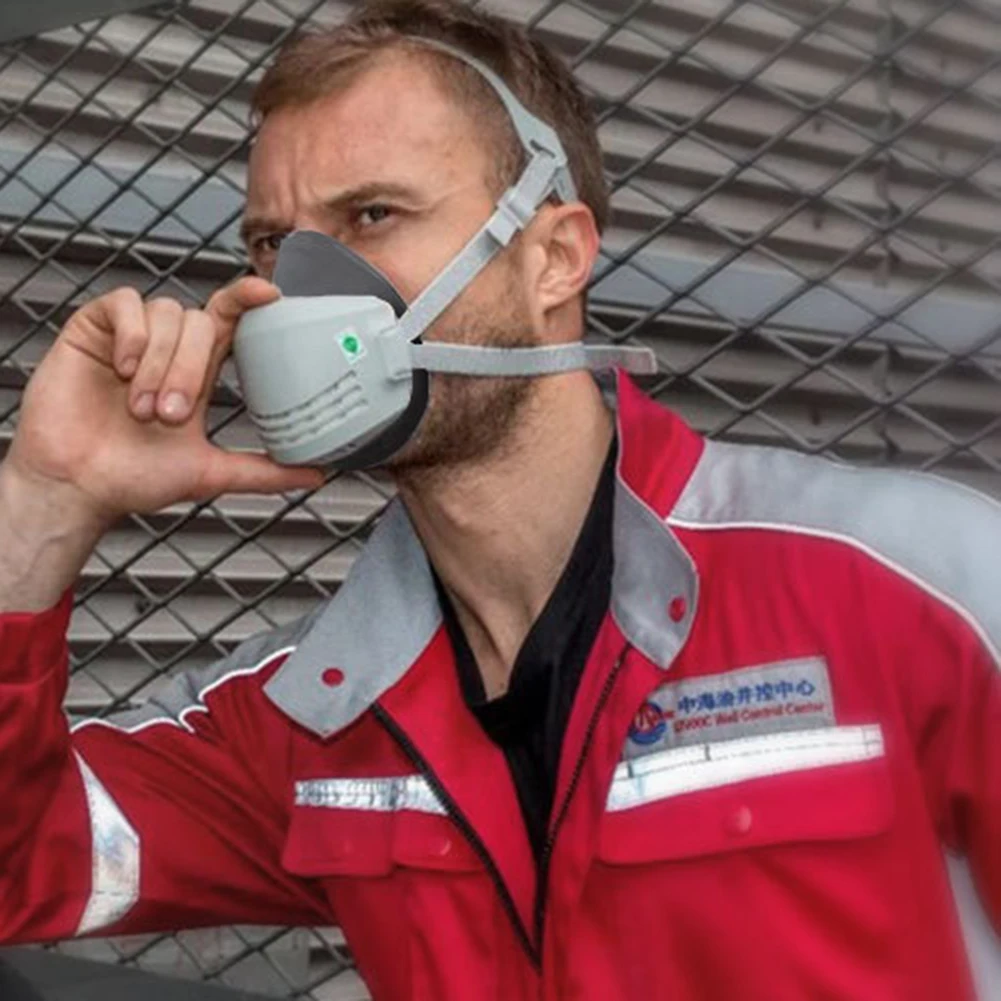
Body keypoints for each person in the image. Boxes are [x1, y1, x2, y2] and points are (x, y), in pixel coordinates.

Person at [0, 1, 997, 999]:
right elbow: (25, 864)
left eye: (371, 215)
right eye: (271, 242)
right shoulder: (316, 713)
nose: (299, 289)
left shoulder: (918, 587)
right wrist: (44, 500)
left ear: (553, 257)